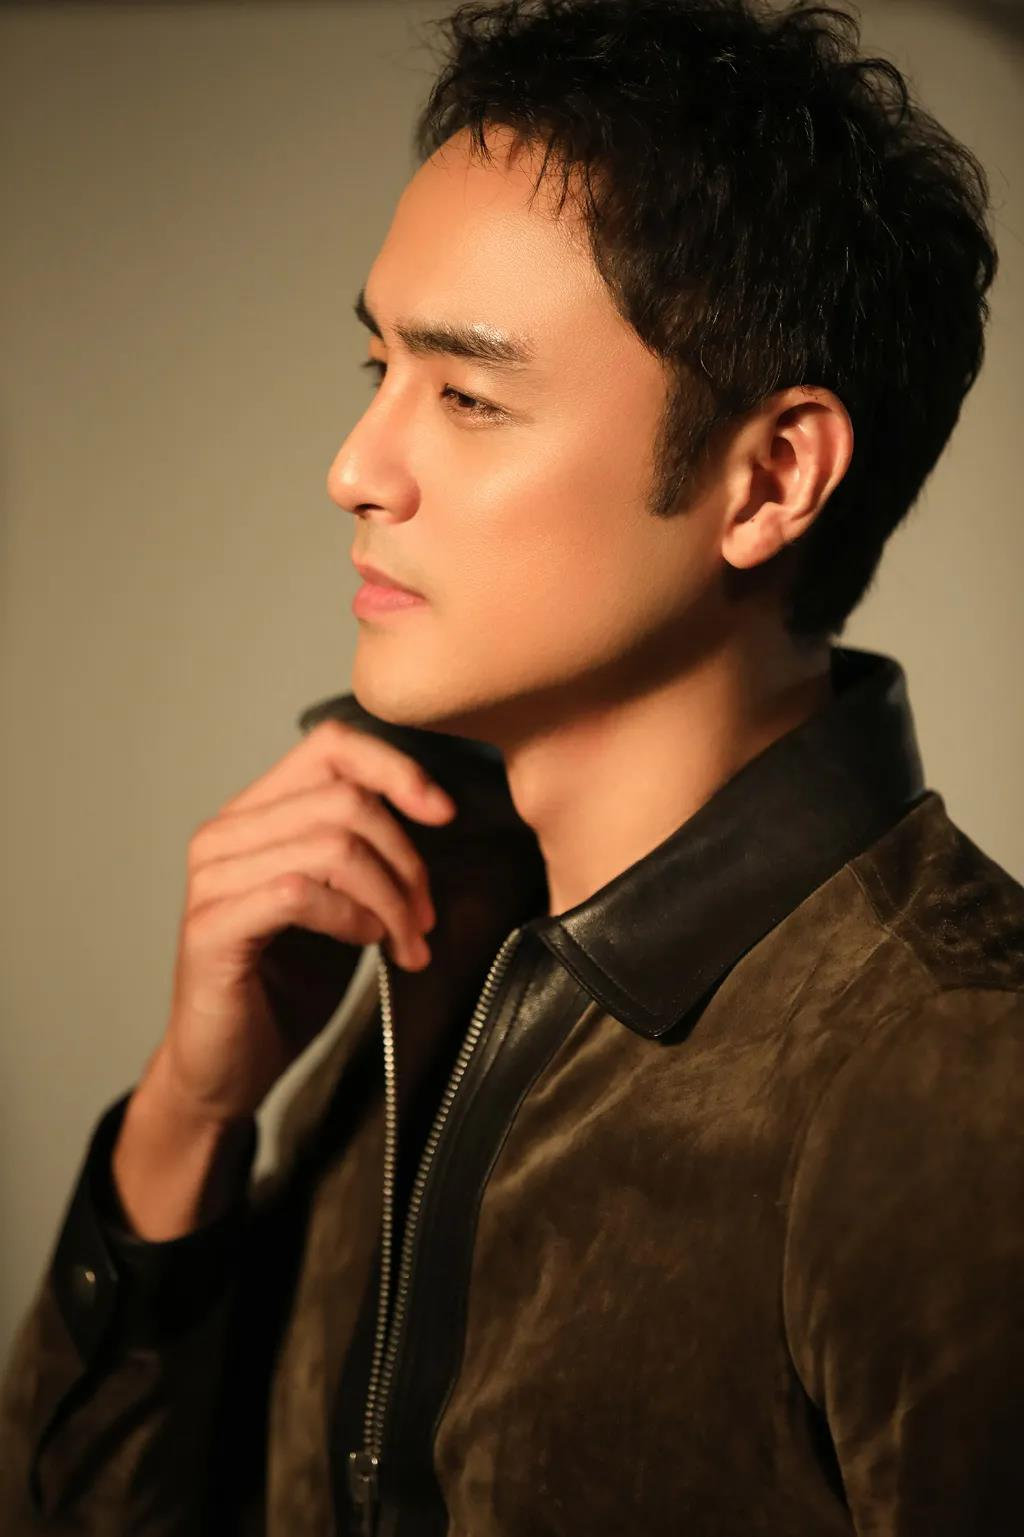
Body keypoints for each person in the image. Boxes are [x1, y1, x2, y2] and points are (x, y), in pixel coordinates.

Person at [2, 1, 1021, 1532]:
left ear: (770, 477)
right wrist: (188, 1119)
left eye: (467, 394)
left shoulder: (957, 1079)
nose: (354, 468)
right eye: (375, 364)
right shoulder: (421, 952)